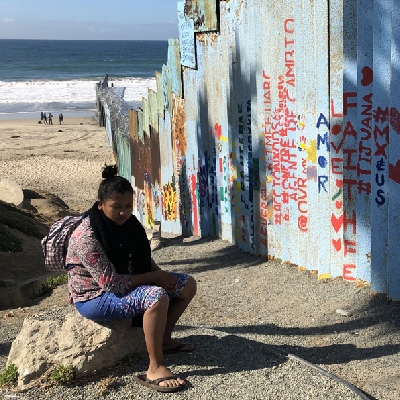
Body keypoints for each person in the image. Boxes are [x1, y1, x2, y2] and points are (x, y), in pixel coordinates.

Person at [65, 165, 196, 392]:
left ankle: (164, 339)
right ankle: (155, 367)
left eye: (128, 206)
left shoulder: (128, 224)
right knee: (156, 296)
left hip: (124, 282)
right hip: (94, 296)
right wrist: (154, 278)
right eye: (116, 207)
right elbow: (111, 283)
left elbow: (140, 257)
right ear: (100, 205)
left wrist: (161, 274)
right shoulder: (86, 236)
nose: (124, 212)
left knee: (186, 285)